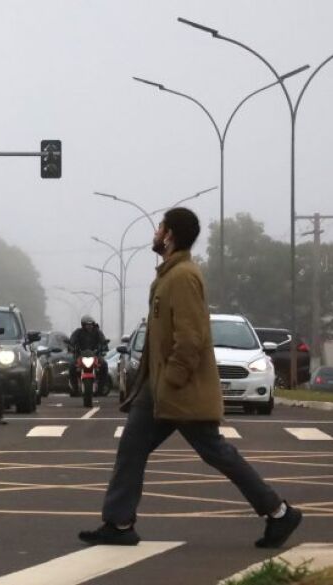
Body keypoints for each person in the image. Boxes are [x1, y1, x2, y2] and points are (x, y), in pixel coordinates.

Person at [78, 207, 301, 548]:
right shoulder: (169, 275)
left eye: (159, 227)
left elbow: (191, 337)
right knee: (132, 449)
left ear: (169, 235)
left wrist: (172, 381)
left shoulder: (183, 277)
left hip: (178, 389)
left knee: (216, 451)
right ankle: (119, 523)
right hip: (161, 388)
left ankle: (279, 512)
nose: (154, 232)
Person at [68, 315, 108, 392]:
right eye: (87, 324)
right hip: (80, 356)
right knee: (72, 366)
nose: (89, 326)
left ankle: (101, 387)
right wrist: (71, 347)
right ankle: (74, 387)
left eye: (91, 324)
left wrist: (104, 347)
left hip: (95, 355)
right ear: (83, 325)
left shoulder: (97, 332)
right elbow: (72, 341)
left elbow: (103, 341)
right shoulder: (78, 332)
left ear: (93, 324)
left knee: (104, 365)